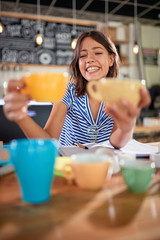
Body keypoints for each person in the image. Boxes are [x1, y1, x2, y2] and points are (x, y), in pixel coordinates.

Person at [3, 30, 151, 149]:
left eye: (98, 53)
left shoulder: (119, 94)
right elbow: (48, 141)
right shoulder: (67, 91)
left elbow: (116, 144)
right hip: (68, 166)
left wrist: (127, 128)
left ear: (111, 59)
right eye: (82, 55)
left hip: (104, 166)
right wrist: (21, 117)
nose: (89, 59)